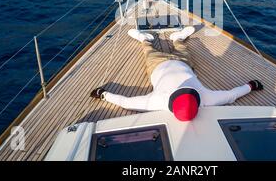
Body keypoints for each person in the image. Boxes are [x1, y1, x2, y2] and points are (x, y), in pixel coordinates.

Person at [90, 26, 263, 121]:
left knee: (148, 49)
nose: (184, 86)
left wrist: (103, 94)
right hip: (184, 62)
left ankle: (145, 38)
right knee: (182, 47)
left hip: (157, 64)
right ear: (196, 99)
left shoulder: (156, 102)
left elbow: (126, 102)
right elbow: (232, 95)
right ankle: (177, 38)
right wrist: (251, 86)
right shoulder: (206, 98)